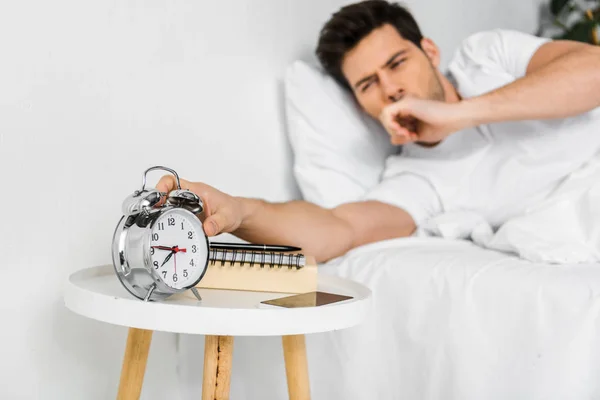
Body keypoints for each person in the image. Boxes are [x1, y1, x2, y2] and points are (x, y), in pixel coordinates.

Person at [157, 0, 600, 263]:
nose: (390, 88)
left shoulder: (487, 57)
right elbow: (337, 228)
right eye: (368, 84)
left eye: (397, 63)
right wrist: (240, 212)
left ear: (429, 50)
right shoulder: (414, 182)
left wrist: (459, 115)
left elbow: (593, 70)